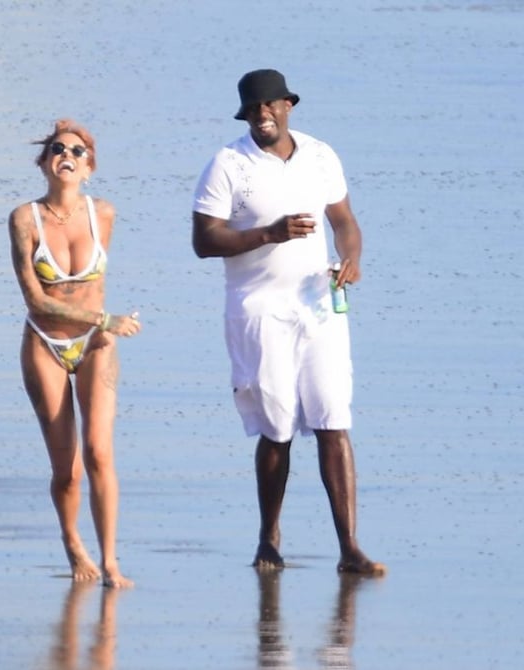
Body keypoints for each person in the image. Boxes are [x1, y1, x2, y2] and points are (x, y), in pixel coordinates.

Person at [192, 69, 385, 576]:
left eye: (269, 107)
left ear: (287, 105)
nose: (261, 117)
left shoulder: (321, 155)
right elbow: (204, 241)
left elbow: (343, 222)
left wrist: (351, 258)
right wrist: (267, 234)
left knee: (333, 419)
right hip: (258, 309)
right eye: (252, 111)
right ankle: (269, 537)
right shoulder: (228, 164)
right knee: (275, 427)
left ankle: (349, 547)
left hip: (319, 304)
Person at [8, 118, 141, 587]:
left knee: (100, 453)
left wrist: (100, 325)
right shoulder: (25, 219)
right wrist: (105, 319)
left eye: (78, 152)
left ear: (89, 167)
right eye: (59, 150)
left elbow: (93, 285)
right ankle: (72, 542)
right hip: (46, 342)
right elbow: (36, 298)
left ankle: (109, 560)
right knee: (67, 471)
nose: (68, 156)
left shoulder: (102, 213)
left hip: (94, 345)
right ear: (44, 163)